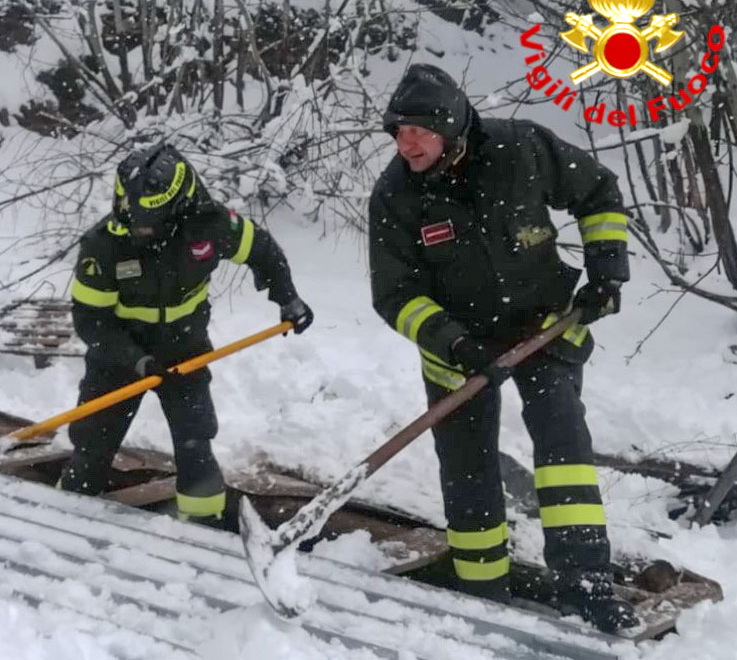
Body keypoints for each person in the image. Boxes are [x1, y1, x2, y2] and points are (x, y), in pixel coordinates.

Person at [368, 64, 638, 634]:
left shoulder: (520, 149)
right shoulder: (396, 195)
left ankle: (586, 586)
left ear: (451, 127)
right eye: (398, 132)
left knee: (564, 448)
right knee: (467, 467)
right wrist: (456, 343)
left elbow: (597, 191)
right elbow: (394, 295)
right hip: (457, 345)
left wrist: (607, 271)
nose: (406, 144)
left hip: (542, 325)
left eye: (419, 131)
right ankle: (481, 586)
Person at [60, 143, 313, 525]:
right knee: (92, 444)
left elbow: (263, 250)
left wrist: (287, 297)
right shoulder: (104, 245)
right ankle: (65, 515)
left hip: (185, 351)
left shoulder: (209, 226)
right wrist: (136, 360)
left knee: (196, 443)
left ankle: (204, 526)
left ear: (177, 207)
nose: (137, 225)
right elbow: (91, 321)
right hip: (118, 357)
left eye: (149, 218)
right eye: (131, 213)